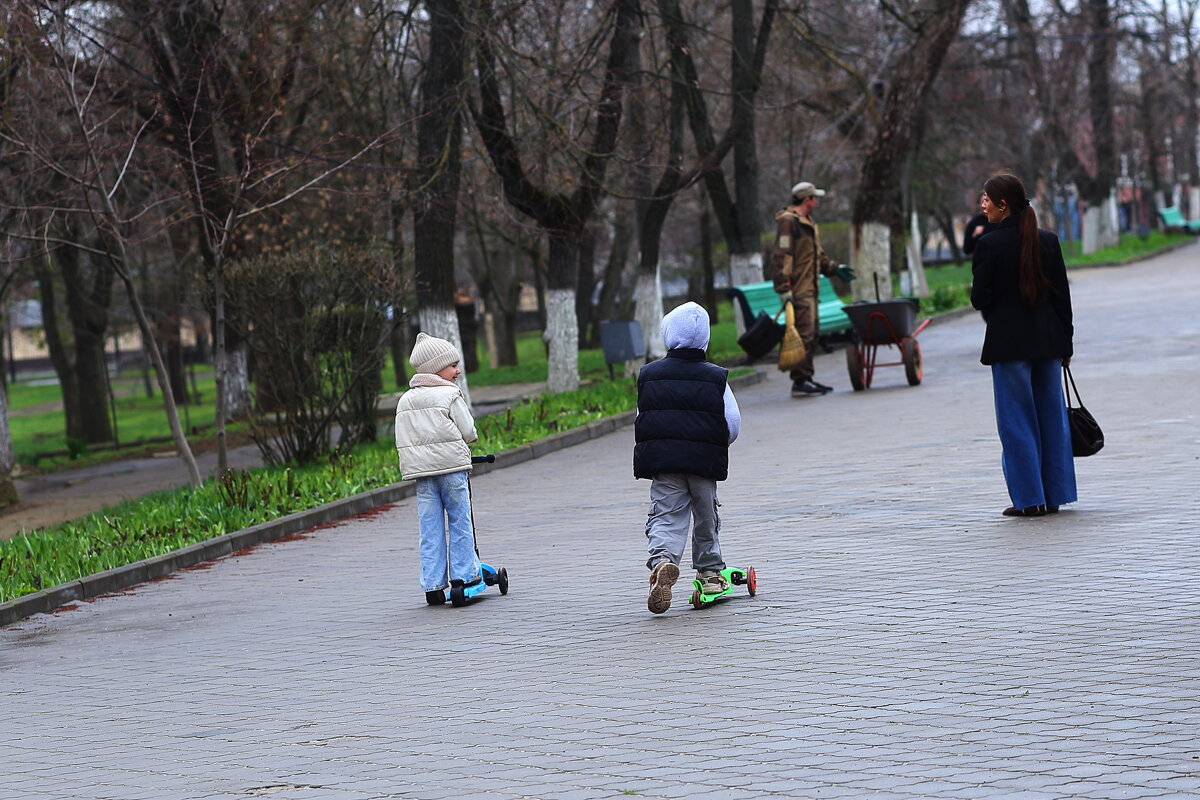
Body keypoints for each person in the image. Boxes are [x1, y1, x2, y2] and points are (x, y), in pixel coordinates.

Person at [970, 173, 1077, 517]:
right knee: (1052, 419)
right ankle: (1055, 496)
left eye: (986, 199)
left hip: (1009, 345)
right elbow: (1062, 297)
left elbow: (979, 298)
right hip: (1048, 342)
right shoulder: (1047, 240)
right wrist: (1067, 342)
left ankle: (1029, 501)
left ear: (1004, 205)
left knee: (1016, 422)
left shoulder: (989, 245)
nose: (981, 205)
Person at [635, 302, 741, 614]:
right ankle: (709, 574)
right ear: (706, 339)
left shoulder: (649, 376)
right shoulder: (715, 378)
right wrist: (718, 443)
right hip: (703, 462)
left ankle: (663, 562)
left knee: (666, 514)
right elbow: (732, 423)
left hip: (664, 462)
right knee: (706, 517)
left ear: (668, 335)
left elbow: (642, 417)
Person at [394, 332, 483, 602]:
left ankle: (433, 584)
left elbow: (403, 437)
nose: (457, 371)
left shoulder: (405, 400)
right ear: (436, 368)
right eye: (452, 365)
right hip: (452, 470)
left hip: (422, 475)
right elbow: (468, 430)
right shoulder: (449, 394)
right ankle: (465, 576)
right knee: (459, 520)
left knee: (430, 527)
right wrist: (471, 438)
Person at [771, 181, 856, 397]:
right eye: (814, 197)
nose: (816, 201)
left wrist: (835, 269)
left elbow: (817, 256)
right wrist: (783, 288)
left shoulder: (807, 221)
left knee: (811, 334)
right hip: (798, 288)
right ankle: (799, 382)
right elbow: (782, 255)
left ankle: (806, 378)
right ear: (808, 199)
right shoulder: (789, 222)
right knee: (804, 335)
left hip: (810, 287)